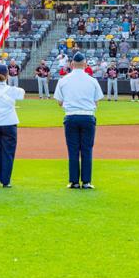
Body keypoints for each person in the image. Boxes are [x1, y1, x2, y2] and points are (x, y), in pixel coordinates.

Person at [54, 52, 104, 189]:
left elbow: (59, 101)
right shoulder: (92, 81)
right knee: (87, 150)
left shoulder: (63, 80)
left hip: (71, 116)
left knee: (73, 150)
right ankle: (86, 182)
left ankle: (74, 182)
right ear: (85, 64)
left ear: (72, 64)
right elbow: (97, 101)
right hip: (88, 116)